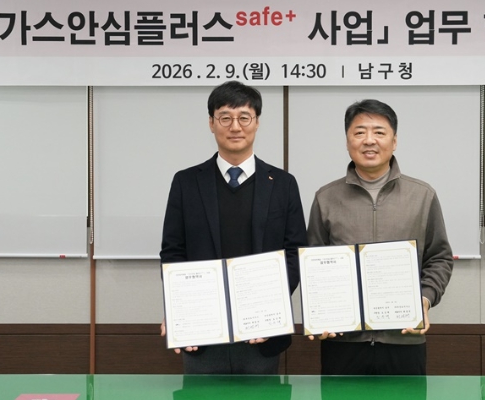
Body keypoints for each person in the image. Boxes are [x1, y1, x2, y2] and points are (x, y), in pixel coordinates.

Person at [159, 81, 307, 374]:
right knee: (200, 396)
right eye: (225, 117)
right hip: (202, 333)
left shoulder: (283, 184)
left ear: (257, 122)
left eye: (244, 117)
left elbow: (295, 253)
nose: (235, 126)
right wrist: (179, 308)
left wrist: (271, 307)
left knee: (263, 395)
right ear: (211, 123)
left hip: (262, 334)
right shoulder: (186, 182)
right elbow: (173, 252)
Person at [307, 99, 453, 375]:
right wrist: (320, 311)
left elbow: (439, 258)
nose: (369, 140)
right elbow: (313, 264)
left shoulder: (422, 195)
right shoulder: (326, 198)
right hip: (343, 342)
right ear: (347, 141)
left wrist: (424, 298)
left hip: (404, 338)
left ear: (394, 141)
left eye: (379, 132)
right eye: (359, 132)